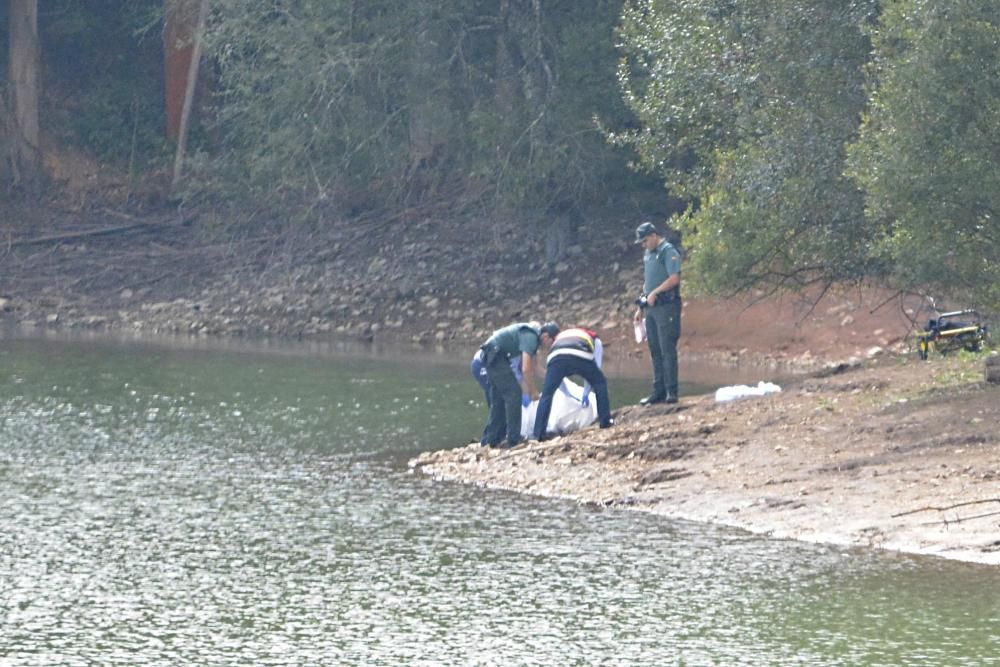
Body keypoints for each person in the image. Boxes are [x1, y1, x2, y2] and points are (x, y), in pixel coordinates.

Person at [479, 321, 559, 448]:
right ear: (545, 337)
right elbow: (526, 368)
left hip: (495, 355)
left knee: (498, 400)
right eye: (552, 341)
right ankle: (514, 439)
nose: (551, 346)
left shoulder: (534, 342)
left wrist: (555, 377)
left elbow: (536, 368)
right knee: (514, 394)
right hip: (493, 354)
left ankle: (491, 440)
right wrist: (533, 391)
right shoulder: (531, 337)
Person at [532, 326, 613, 441]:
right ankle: (605, 422)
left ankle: (538, 434)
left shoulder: (558, 341)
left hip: (555, 358)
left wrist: (568, 394)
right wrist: (586, 393)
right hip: (580, 354)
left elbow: (558, 382)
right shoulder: (594, 339)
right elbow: (596, 366)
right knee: (600, 383)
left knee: (547, 395)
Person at [633, 221, 682, 405]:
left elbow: (674, 278)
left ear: (654, 235)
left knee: (667, 348)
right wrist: (640, 306)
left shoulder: (667, 251)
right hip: (651, 309)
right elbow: (648, 282)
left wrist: (656, 292)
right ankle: (658, 390)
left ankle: (671, 390)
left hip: (666, 306)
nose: (644, 245)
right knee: (655, 349)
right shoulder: (648, 254)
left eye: (645, 241)